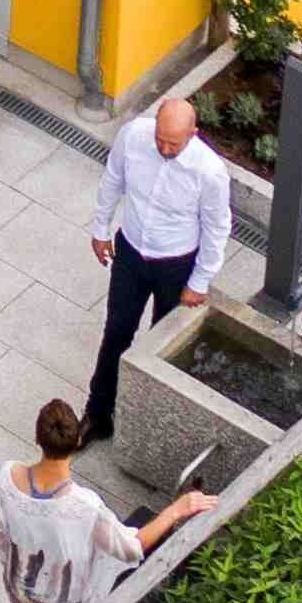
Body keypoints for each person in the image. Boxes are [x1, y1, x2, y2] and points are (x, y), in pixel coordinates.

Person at [0, 398, 213, 603]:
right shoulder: (85, 507)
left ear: (37, 438)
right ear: (78, 439)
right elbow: (132, 548)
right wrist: (178, 509)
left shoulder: (8, 478)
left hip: (25, 590)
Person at [83, 93, 233, 448]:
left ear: (193, 134)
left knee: (161, 347)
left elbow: (217, 228)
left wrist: (199, 281)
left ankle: (145, 423)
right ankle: (98, 412)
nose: (165, 149)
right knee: (117, 332)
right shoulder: (133, 136)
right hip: (132, 253)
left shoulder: (209, 173)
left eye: (174, 144)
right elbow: (113, 180)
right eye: (161, 140)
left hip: (176, 264)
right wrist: (100, 229)